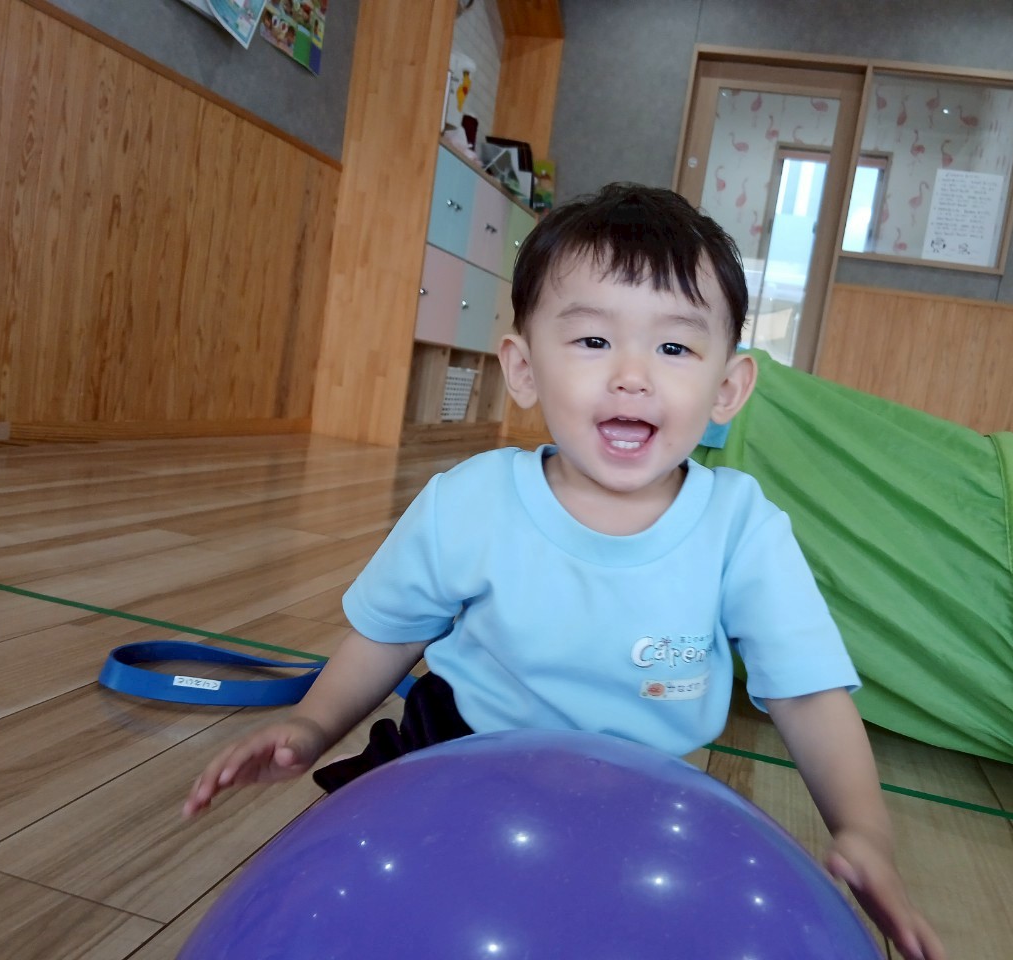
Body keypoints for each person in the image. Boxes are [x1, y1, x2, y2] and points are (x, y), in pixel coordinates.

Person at [183, 184, 945, 960]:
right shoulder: (469, 501)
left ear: (727, 389)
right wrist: (313, 725)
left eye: (674, 348)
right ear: (523, 368)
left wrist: (864, 830)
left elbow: (808, 693)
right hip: (449, 764)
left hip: (645, 802)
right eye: (592, 341)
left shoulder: (741, 529)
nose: (632, 376)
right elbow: (388, 636)